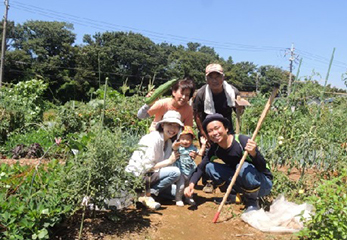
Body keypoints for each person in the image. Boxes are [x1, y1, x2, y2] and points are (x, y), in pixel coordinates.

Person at [184, 113, 273, 212]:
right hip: (241, 180)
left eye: (217, 128)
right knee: (209, 167)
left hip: (262, 183)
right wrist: (191, 185)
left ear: (226, 128)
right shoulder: (215, 149)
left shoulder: (242, 141)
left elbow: (262, 167)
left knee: (242, 166)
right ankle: (232, 196)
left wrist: (254, 154)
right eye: (210, 131)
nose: (215, 133)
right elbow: (201, 167)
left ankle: (252, 201)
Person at [125, 110, 184, 210]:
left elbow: (164, 170)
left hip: (151, 178)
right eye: (170, 124)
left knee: (179, 193)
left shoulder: (168, 142)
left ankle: (144, 195)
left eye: (176, 126)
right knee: (175, 172)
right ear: (162, 125)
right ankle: (145, 195)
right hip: (138, 177)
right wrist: (169, 161)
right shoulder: (154, 139)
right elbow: (147, 168)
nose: (173, 129)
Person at [193, 63, 243, 141]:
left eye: (217, 77)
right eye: (211, 77)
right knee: (209, 153)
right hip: (208, 131)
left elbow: (239, 112)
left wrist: (240, 108)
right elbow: (197, 116)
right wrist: (203, 133)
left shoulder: (232, 92)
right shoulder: (201, 94)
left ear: (223, 77)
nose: (214, 80)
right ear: (206, 79)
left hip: (227, 130)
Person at [172, 126, 207, 206]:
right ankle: (178, 199)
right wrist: (176, 144)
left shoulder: (193, 148)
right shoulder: (179, 148)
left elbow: (200, 153)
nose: (185, 141)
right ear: (179, 139)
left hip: (190, 171)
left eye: (188, 139)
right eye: (183, 139)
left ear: (191, 140)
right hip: (181, 171)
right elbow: (173, 147)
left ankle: (189, 197)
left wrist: (203, 145)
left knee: (189, 186)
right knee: (180, 186)